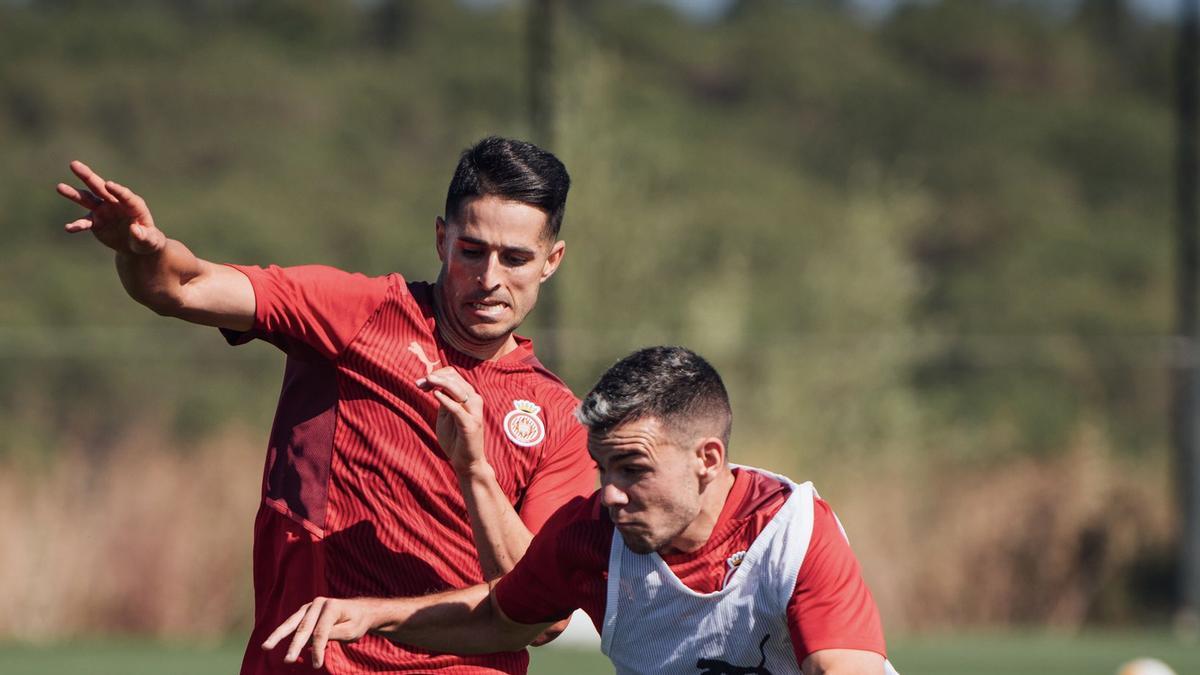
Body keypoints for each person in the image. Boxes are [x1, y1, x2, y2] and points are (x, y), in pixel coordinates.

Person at [56, 137, 597, 674]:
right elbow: (183, 286)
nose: (490, 279)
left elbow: (541, 613)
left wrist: (474, 468)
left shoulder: (557, 420)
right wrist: (140, 251)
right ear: (441, 239)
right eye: (472, 251)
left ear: (552, 261)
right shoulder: (359, 313)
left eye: (516, 259)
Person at [263, 346, 900, 675]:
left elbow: (840, 666)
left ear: (708, 457)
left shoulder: (791, 531)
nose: (612, 492)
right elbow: (503, 618)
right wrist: (368, 614)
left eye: (634, 469)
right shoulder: (588, 536)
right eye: (604, 469)